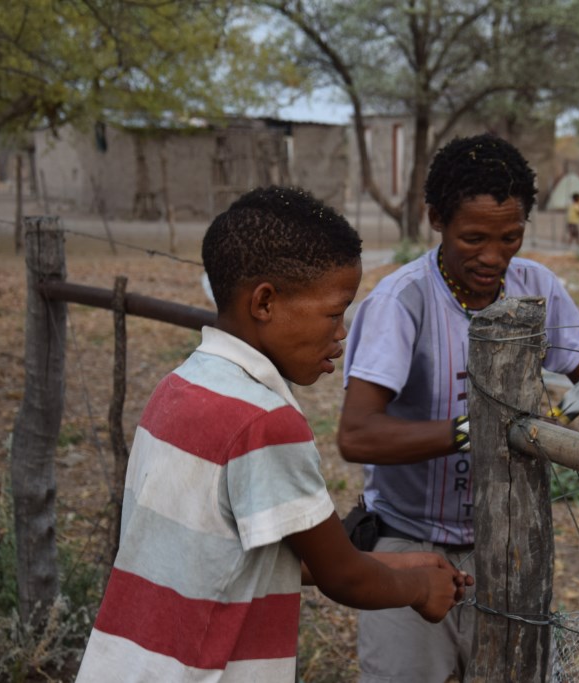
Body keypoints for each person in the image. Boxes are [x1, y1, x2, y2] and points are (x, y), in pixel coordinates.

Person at [76, 186, 469, 682]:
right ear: (264, 302)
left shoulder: (179, 388)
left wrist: (400, 563)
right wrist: (416, 590)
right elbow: (341, 576)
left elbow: (238, 555)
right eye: (334, 311)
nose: (342, 331)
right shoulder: (264, 422)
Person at [337, 133, 579, 683]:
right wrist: (474, 431)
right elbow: (357, 435)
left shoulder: (534, 288)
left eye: (511, 237)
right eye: (473, 238)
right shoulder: (402, 301)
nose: (494, 257)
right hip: (408, 540)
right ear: (435, 219)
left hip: (508, 541)